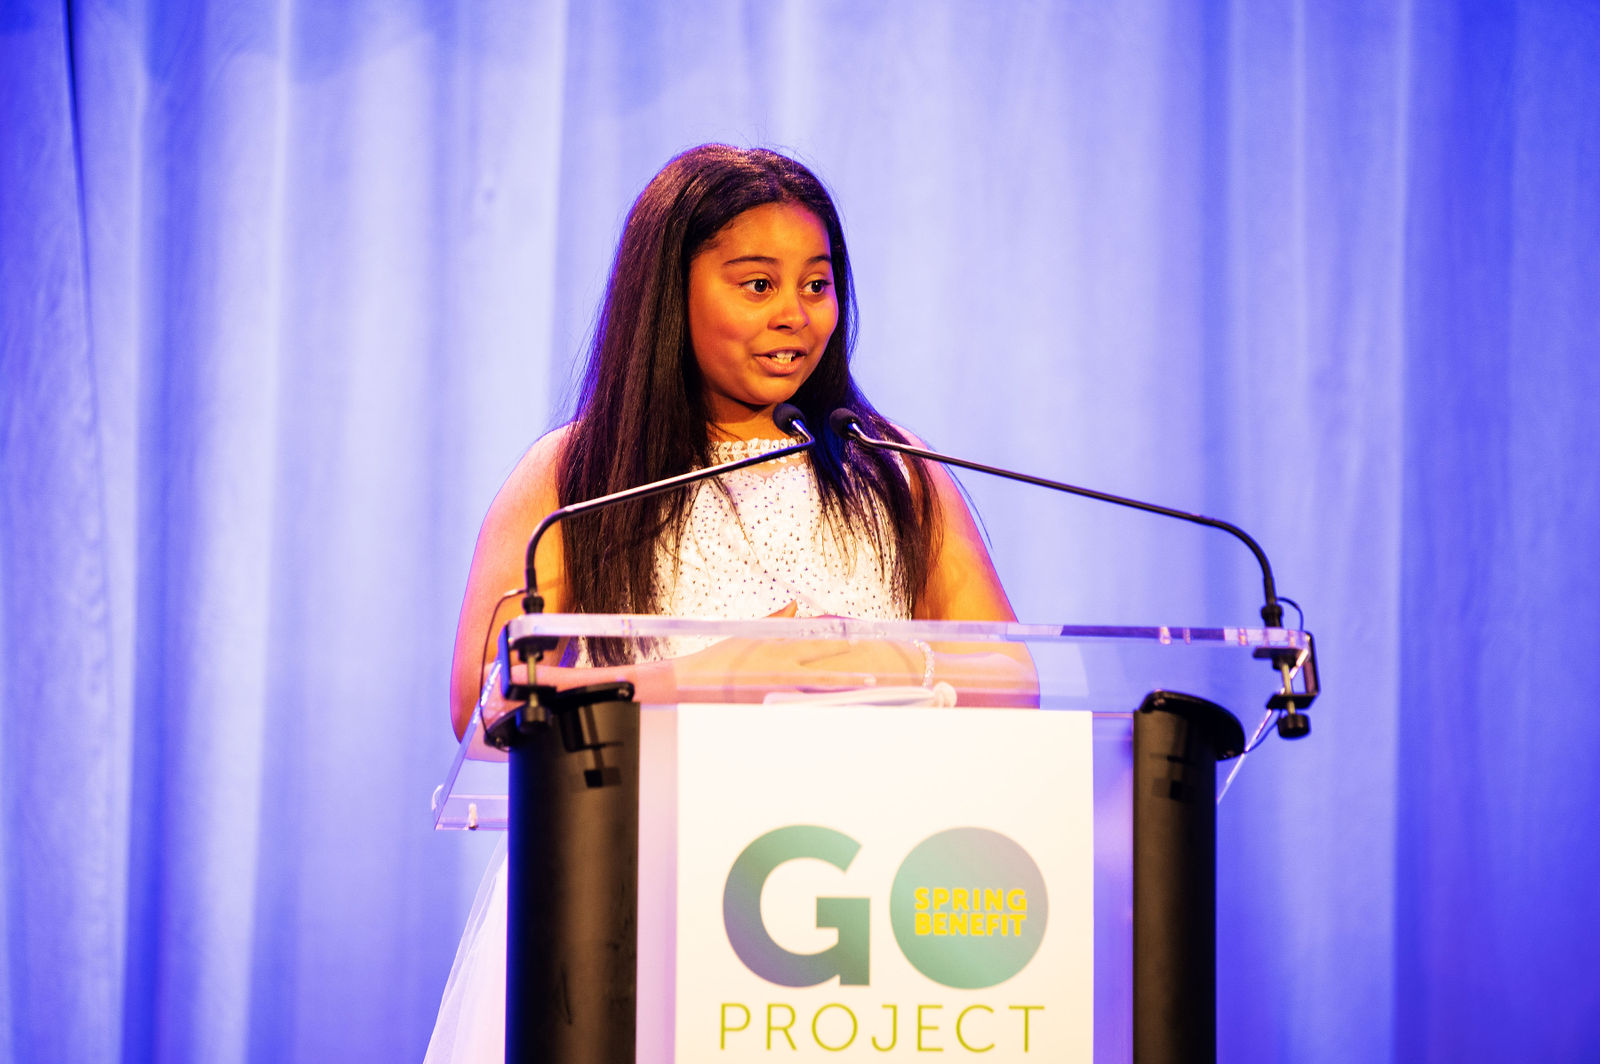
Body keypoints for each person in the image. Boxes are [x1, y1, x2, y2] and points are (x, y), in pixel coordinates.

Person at [427, 145, 1028, 1062]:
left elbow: (1012, 679)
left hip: (862, 912)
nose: (797, 315)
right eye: (757, 284)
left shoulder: (892, 471)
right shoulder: (574, 477)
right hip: (632, 900)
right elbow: (492, 704)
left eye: (819, 284)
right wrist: (725, 673)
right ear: (672, 295)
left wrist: (890, 665)